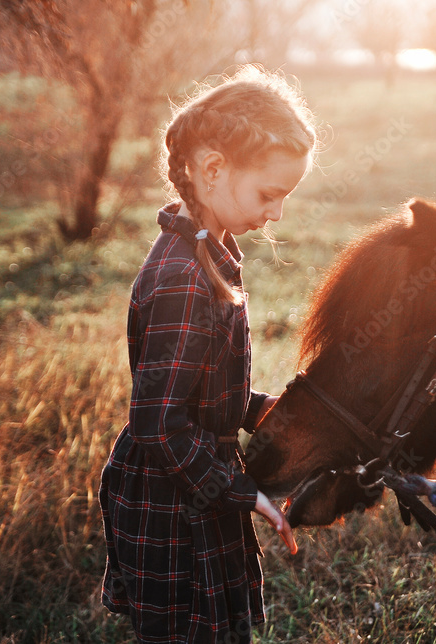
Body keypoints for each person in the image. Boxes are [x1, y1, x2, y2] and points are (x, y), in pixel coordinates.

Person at [99, 65, 319, 644]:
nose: (276, 214)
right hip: (174, 504)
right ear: (213, 169)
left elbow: (202, 392)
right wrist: (246, 494)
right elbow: (158, 423)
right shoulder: (181, 278)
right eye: (268, 195)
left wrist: (268, 410)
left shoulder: (209, 252)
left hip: (197, 486)